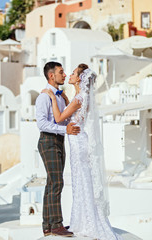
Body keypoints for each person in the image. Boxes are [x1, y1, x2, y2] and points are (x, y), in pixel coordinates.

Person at [42, 64, 122, 240]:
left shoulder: (79, 98)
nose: (68, 75)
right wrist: (63, 97)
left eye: (72, 73)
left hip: (77, 142)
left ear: (79, 79)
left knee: (82, 180)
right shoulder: (80, 97)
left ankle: (86, 222)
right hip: (79, 139)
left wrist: (54, 100)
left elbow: (58, 118)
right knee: (82, 179)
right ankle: (83, 220)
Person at [36, 61, 80, 237]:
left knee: (51, 183)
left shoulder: (60, 97)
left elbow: (62, 119)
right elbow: (42, 124)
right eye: (61, 72)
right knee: (57, 182)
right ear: (51, 75)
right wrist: (65, 130)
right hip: (48, 141)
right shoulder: (43, 97)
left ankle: (47, 225)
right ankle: (56, 225)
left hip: (59, 141)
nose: (65, 74)